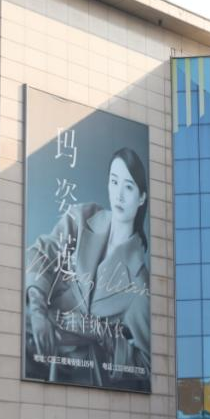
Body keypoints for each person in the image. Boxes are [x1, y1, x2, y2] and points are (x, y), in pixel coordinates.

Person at [25, 147, 151, 388]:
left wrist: (100, 333)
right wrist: (38, 311)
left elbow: (147, 366)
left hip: (83, 378)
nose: (119, 195)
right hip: (36, 346)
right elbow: (40, 253)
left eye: (128, 187)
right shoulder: (82, 219)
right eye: (114, 182)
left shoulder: (140, 284)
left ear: (142, 198)